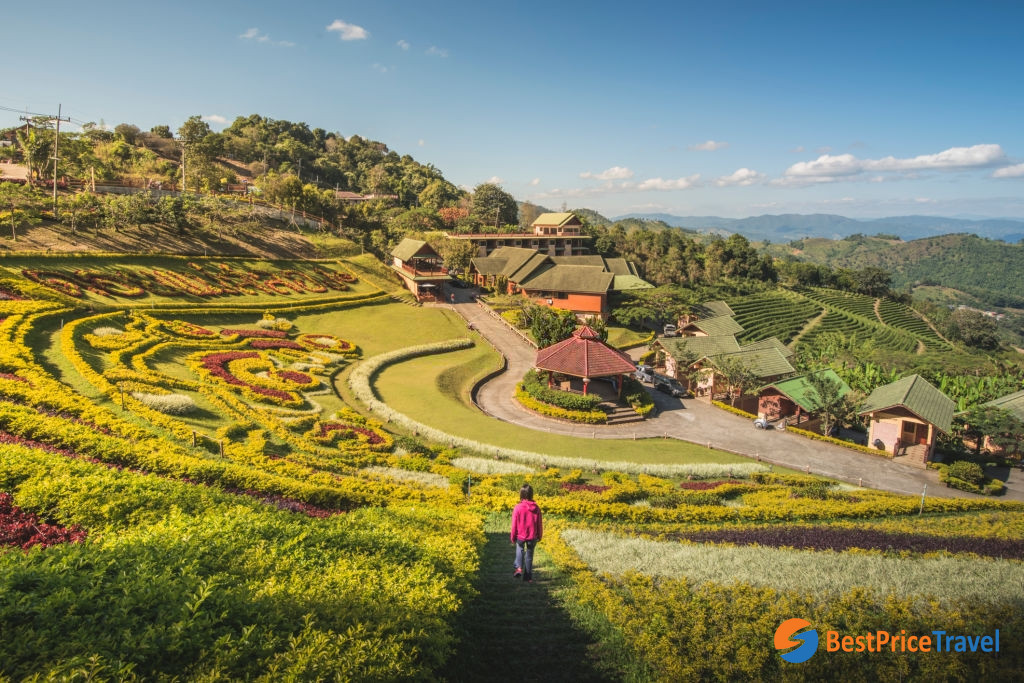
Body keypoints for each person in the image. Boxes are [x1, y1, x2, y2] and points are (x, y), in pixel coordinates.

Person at [510, 483, 543, 582]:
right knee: (529, 555)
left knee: (519, 548)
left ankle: (518, 568)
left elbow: (514, 524)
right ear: (531, 494)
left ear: (521, 494)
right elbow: (539, 524)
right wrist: (540, 535)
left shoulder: (517, 507)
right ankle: (528, 578)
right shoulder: (536, 508)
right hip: (532, 536)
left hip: (520, 535)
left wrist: (513, 537)